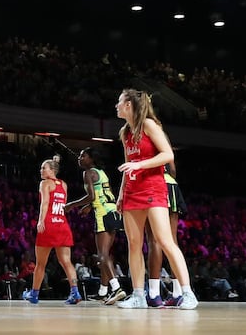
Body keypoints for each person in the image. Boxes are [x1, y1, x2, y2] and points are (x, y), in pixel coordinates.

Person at [114, 89, 198, 309]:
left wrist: (140, 164)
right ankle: (139, 296)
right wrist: (121, 193)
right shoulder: (125, 132)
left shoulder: (150, 125)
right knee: (133, 245)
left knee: (164, 241)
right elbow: (126, 165)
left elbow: (168, 155)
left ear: (129, 105)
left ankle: (188, 293)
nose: (117, 105)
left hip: (153, 188)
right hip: (132, 192)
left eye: (119, 102)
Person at [65, 146, 127, 305]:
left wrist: (72, 204)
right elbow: (102, 195)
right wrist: (89, 206)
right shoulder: (101, 172)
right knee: (105, 255)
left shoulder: (87, 173)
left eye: (83, 156)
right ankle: (103, 291)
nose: (80, 158)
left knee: (102, 255)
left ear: (91, 159)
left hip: (102, 214)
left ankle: (117, 288)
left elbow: (92, 196)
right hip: (113, 211)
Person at [21, 156, 81, 305]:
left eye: (44, 168)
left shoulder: (44, 183)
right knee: (66, 261)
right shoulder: (64, 185)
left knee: (40, 263)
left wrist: (41, 220)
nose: (41, 170)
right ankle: (75, 292)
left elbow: (45, 203)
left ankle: (34, 294)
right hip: (62, 224)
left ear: (52, 170)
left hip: (49, 224)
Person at [145, 161, 188, 306]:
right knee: (172, 241)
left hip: (153, 184)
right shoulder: (164, 143)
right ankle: (177, 293)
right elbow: (173, 170)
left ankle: (153, 293)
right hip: (171, 183)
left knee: (154, 240)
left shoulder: (143, 141)